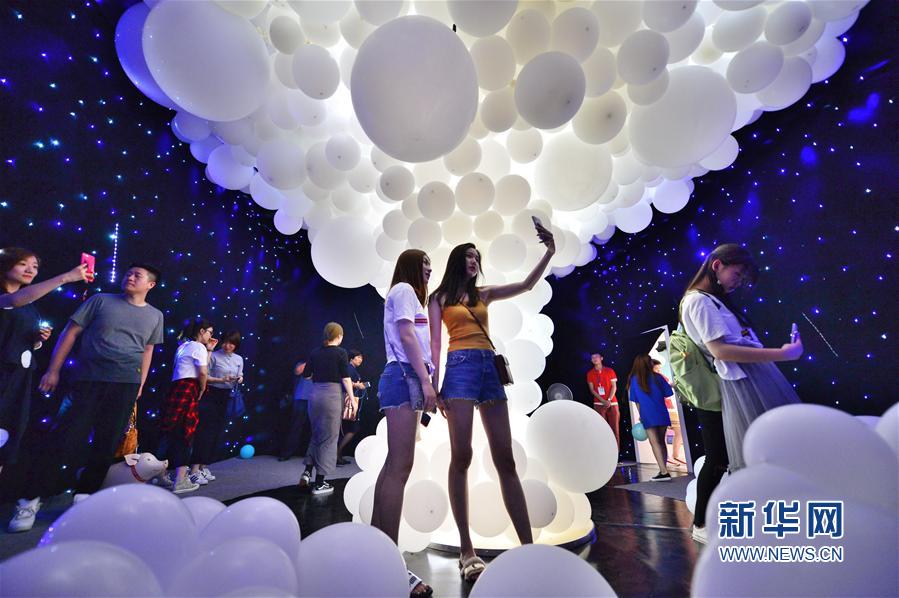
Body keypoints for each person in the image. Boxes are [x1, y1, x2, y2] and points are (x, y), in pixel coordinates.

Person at [428, 220, 554, 582]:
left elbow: (528, 284)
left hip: (488, 370)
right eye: (468, 256)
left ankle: (527, 546)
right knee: (462, 456)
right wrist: (433, 389)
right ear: (457, 261)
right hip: (460, 370)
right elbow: (436, 346)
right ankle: (467, 550)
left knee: (506, 458)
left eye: (476, 256)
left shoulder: (484, 294)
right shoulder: (439, 299)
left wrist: (549, 251)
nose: (473, 261)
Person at [9, 263, 163, 533]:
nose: (130, 276)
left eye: (137, 275)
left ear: (150, 284)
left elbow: (147, 349)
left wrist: (141, 384)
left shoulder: (155, 315)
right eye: (128, 272)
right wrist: (54, 370)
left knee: (106, 445)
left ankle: (85, 498)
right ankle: (30, 499)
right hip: (87, 380)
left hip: (124, 384)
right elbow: (71, 333)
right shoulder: (100, 300)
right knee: (63, 439)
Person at [680, 243, 803, 542]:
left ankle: (725, 520)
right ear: (717, 266)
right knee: (723, 457)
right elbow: (720, 350)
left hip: (744, 382)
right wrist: (782, 354)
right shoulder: (698, 302)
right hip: (736, 385)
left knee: (739, 453)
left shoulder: (711, 301)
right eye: (737, 273)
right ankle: (701, 524)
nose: (738, 281)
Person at [371, 249, 436, 598]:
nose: (429, 269)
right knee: (400, 466)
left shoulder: (404, 295)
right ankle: (391, 564)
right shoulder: (404, 291)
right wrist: (426, 381)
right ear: (410, 266)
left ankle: (376, 549)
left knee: (393, 465)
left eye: (431, 265)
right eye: (423, 263)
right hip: (404, 376)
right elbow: (407, 336)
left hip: (404, 376)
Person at [1, 248, 90, 479]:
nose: (31, 270)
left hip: (17, 379)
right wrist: (66, 277)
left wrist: (37, 340)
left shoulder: (30, 306)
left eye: (35, 266)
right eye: (23, 264)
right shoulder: (17, 298)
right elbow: (13, 301)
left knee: (7, 436)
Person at [156, 319, 216, 494]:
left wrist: (210, 350)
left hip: (175, 388)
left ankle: (160, 475)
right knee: (185, 432)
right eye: (210, 332)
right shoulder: (198, 347)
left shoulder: (183, 346)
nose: (211, 336)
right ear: (202, 331)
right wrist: (202, 389)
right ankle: (180, 480)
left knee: (170, 431)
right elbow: (203, 372)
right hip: (188, 388)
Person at [298, 322, 355, 496]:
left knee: (316, 434)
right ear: (339, 336)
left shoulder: (315, 352)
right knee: (329, 438)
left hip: (315, 395)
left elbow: (306, 375)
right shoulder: (341, 352)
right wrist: (352, 398)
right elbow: (346, 379)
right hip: (331, 396)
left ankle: (307, 472)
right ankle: (320, 483)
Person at [191, 330, 243, 484]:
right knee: (204, 432)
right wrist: (221, 380)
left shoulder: (239, 359)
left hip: (227, 397)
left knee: (216, 433)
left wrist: (239, 379)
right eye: (226, 342)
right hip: (210, 394)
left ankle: (204, 466)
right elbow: (203, 376)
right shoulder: (213, 355)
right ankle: (194, 468)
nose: (228, 346)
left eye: (232, 343)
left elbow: (241, 375)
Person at [628, 355, 674, 481]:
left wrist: (641, 416)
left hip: (647, 413)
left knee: (654, 442)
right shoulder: (657, 377)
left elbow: (636, 401)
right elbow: (668, 393)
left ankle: (664, 472)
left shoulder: (634, 379)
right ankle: (663, 470)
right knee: (661, 441)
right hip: (661, 411)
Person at [337, 349, 368, 465]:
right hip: (347, 401)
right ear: (351, 358)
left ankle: (337, 453)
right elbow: (344, 381)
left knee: (347, 428)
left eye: (361, 358)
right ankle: (337, 453)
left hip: (350, 400)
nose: (360, 359)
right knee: (351, 427)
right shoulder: (349, 368)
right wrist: (357, 385)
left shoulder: (352, 369)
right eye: (358, 357)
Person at [278, 359, 313, 461]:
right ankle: (286, 453)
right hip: (301, 399)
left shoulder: (320, 365)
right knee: (295, 427)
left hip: (315, 400)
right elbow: (298, 371)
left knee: (313, 429)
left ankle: (309, 454)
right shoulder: (302, 364)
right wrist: (310, 361)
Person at [653, 359, 684, 468]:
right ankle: (667, 458)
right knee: (663, 433)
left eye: (659, 368)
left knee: (679, 431)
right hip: (660, 408)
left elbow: (670, 387)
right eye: (657, 368)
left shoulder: (662, 377)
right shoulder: (651, 379)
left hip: (670, 407)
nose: (659, 370)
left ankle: (675, 455)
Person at [586, 352, 620, 453]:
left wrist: (609, 399)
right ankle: (604, 452)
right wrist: (602, 401)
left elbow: (614, 386)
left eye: (596, 357)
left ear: (601, 358)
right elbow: (592, 390)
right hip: (598, 403)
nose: (594, 359)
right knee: (601, 428)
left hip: (612, 403)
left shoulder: (610, 371)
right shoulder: (590, 373)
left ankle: (616, 453)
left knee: (615, 429)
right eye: (592, 357)